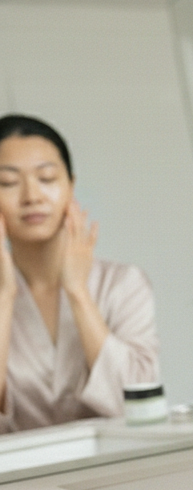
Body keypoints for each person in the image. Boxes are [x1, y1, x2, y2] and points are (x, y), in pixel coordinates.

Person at [0, 114, 159, 432]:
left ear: (70, 185)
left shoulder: (122, 284)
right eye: (7, 183)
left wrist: (78, 293)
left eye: (46, 178)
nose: (32, 196)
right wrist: (5, 296)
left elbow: (141, 403)